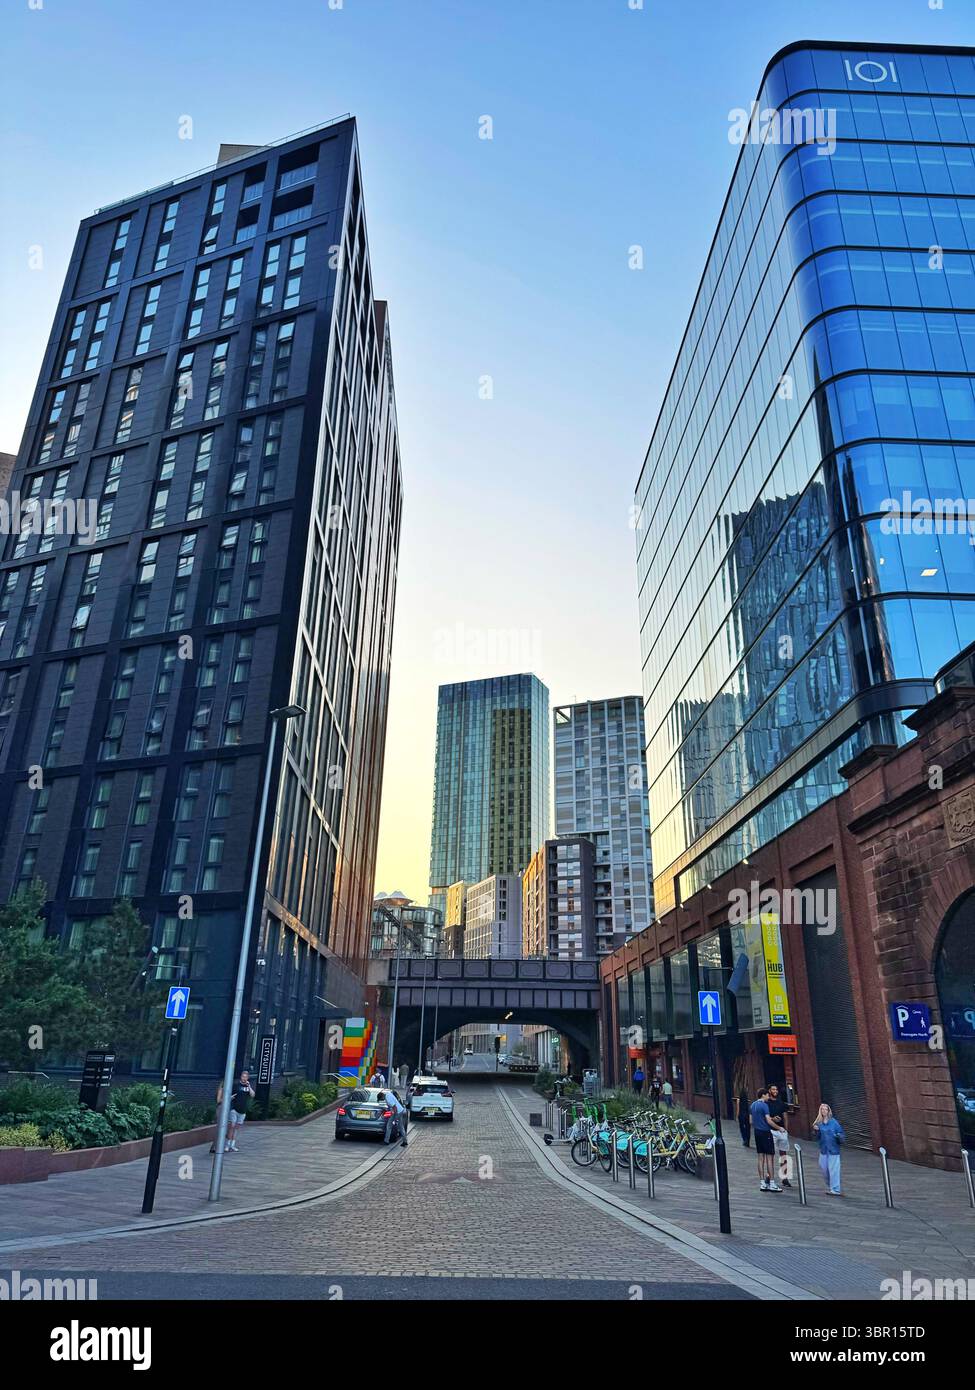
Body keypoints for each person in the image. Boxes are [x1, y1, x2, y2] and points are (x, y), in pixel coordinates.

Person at [750, 1085, 781, 1191]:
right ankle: (772, 1183)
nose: (768, 1096)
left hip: (757, 1132)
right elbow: (768, 1120)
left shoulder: (753, 1105)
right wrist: (779, 1127)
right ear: (763, 1095)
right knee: (769, 1158)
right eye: (767, 1094)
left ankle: (762, 1183)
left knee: (760, 1158)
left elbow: (751, 1121)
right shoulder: (764, 1105)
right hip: (765, 1133)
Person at [813, 1103, 845, 1195]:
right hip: (823, 1149)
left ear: (828, 1111)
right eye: (822, 1109)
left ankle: (835, 1189)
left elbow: (841, 1133)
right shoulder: (819, 1123)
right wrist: (816, 1130)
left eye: (825, 1109)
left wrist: (838, 1136)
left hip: (833, 1149)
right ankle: (831, 1185)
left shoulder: (834, 1122)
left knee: (834, 1169)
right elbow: (817, 1137)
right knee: (824, 1169)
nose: (824, 1111)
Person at [767, 1083, 791, 1187]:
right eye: (773, 1089)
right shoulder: (766, 1103)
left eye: (776, 1089)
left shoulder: (781, 1103)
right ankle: (768, 1175)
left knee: (783, 1154)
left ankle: (784, 1177)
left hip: (781, 1131)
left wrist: (786, 1130)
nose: (775, 1091)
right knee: (770, 1154)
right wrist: (773, 1119)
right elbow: (765, 1118)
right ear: (769, 1091)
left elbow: (785, 1116)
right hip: (771, 1130)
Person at [227, 1070, 254, 1153]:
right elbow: (230, 1094)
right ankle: (227, 1145)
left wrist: (249, 1086)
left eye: (246, 1077)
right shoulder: (236, 1085)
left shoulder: (247, 1087)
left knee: (237, 1128)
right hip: (234, 1109)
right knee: (232, 1125)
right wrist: (231, 1097)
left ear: (248, 1078)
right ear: (241, 1077)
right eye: (243, 1076)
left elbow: (252, 1095)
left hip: (242, 1110)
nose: (244, 1078)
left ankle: (232, 1145)